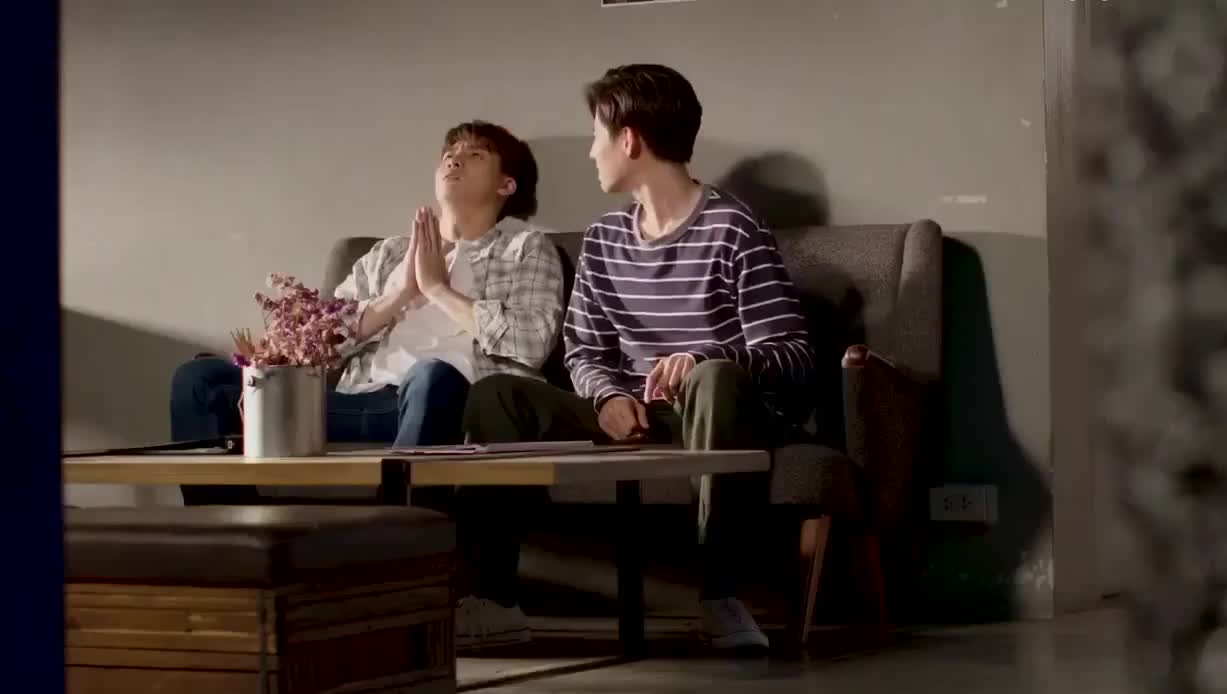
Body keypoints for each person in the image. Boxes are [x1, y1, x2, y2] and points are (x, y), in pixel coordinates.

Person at [460, 65, 814, 652]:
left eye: (596, 135)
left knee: (715, 379)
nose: (591, 152)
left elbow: (792, 354)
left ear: (629, 140)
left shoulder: (735, 228)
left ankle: (720, 595)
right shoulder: (604, 239)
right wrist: (606, 396)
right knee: (496, 393)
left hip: (716, 415)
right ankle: (494, 600)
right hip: (633, 414)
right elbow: (584, 349)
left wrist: (702, 359)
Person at [170, 120, 565, 507]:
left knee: (433, 374)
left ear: (506, 185)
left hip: (445, 403)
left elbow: (531, 343)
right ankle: (228, 529)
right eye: (449, 153)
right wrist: (398, 294)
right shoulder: (388, 254)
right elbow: (315, 347)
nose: (454, 160)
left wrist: (436, 289)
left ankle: (397, 531)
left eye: (475, 155)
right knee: (199, 380)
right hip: (359, 400)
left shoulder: (525, 249)